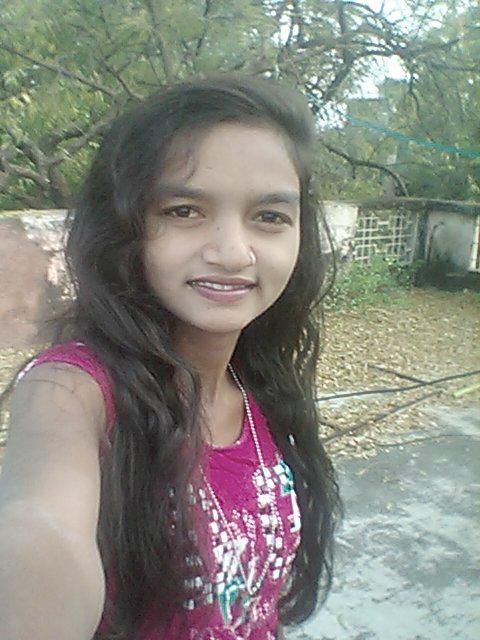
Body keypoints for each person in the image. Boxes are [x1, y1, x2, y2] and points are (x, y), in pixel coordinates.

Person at [0, 75, 341, 640]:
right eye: (184, 210)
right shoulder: (71, 390)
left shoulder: (259, 380)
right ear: (125, 226)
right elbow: (39, 527)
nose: (233, 253)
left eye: (269, 216)